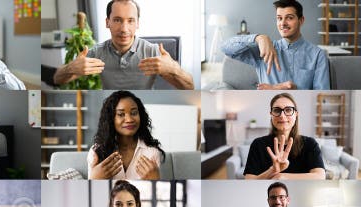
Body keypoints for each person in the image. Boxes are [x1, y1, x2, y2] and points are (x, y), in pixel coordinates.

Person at [53, 0, 193, 90]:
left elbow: (189, 87)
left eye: (130, 20)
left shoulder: (152, 51)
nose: (124, 29)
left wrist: (174, 68)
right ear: (107, 22)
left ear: (137, 23)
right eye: (118, 20)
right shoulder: (97, 52)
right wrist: (71, 67)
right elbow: (57, 79)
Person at [221, 0, 329, 90]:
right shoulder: (262, 50)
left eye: (289, 18)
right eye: (279, 18)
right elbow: (225, 47)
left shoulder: (318, 55)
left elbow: (322, 97)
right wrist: (258, 38)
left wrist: (292, 90)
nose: (283, 23)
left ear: (301, 20)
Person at [244, 93, 325, 179]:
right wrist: (273, 170)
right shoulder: (258, 144)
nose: (282, 116)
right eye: (277, 110)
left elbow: (320, 176)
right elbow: (249, 179)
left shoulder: (310, 143)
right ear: (271, 114)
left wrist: (282, 176)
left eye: (288, 110)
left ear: (296, 114)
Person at [87, 91, 165, 180]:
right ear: (111, 119)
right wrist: (95, 178)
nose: (129, 119)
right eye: (121, 114)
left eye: (134, 113)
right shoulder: (96, 152)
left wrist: (155, 178)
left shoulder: (152, 153)